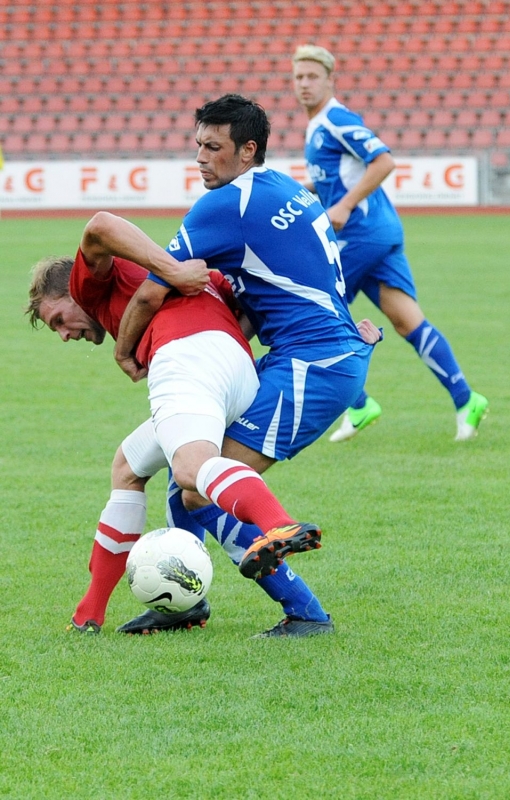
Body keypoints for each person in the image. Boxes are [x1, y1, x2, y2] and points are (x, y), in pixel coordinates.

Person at [108, 94, 382, 635]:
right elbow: (269, 291)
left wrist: (124, 350)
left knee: (196, 485)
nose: (201, 159)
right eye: (198, 146)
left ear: (247, 149)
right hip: (321, 354)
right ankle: (187, 606)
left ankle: (305, 612)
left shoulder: (222, 207)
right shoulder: (286, 188)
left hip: (311, 365)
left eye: (214, 147)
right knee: (188, 469)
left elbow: (148, 294)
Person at [26, 212, 343, 637]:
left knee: (191, 469)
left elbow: (100, 225)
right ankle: (96, 615)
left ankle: (276, 523)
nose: (64, 334)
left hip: (184, 356)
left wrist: (170, 270)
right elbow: (250, 304)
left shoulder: (92, 283)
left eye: (58, 319)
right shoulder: (200, 278)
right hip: (235, 367)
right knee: (133, 467)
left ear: (74, 287)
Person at [292, 44, 489, 443]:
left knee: (312, 306)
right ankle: (467, 399)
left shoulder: (337, 119)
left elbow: (383, 160)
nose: (304, 84)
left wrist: (345, 205)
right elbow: (337, 176)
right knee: (406, 320)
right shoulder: (316, 127)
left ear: (330, 79)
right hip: (377, 234)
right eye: (298, 77)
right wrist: (302, 190)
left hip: (362, 233)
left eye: (312, 76)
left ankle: (360, 404)